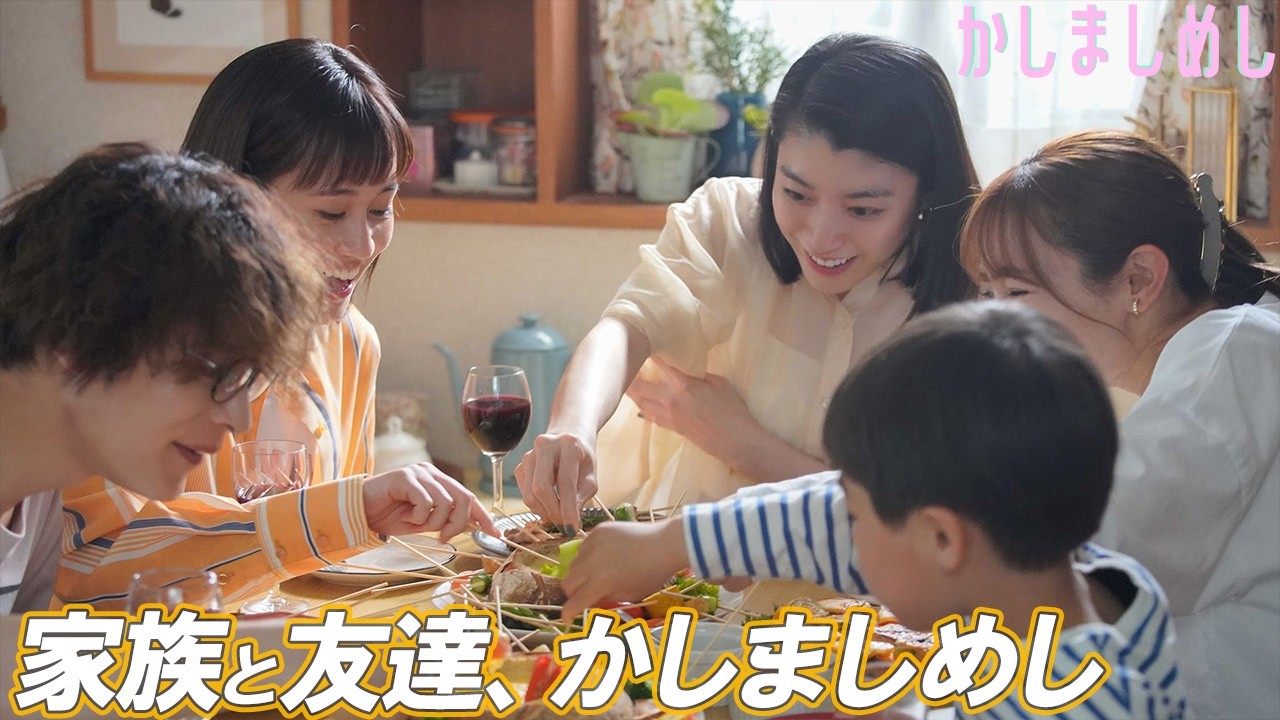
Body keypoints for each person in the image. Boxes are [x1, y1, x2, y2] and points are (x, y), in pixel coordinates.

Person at [561, 301, 1190, 720]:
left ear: (941, 539)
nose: (845, 533)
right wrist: (677, 541)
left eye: (857, 518)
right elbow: (822, 522)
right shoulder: (1085, 586)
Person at [57, 40, 499, 609]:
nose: (362, 245)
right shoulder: (129, 341)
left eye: (381, 208)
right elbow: (93, 564)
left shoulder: (351, 341)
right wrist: (343, 511)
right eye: (331, 212)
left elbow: (326, 568)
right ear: (233, 196)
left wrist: (363, 514)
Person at [517, 34, 979, 524]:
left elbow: (922, 520)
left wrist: (743, 445)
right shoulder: (728, 220)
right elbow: (626, 327)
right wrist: (571, 427)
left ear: (927, 191)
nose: (821, 237)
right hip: (672, 557)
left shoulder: (976, 293)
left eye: (862, 209)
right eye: (796, 194)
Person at [959, 131, 1278, 720]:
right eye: (988, 293)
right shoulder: (1217, 347)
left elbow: (1096, 552)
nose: (992, 320)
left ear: (1139, 280)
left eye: (1016, 291)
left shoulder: (1229, 354)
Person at [1, 144, 321, 613]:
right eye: (218, 373)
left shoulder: (40, 486)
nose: (238, 419)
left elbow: (17, 655)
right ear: (75, 337)